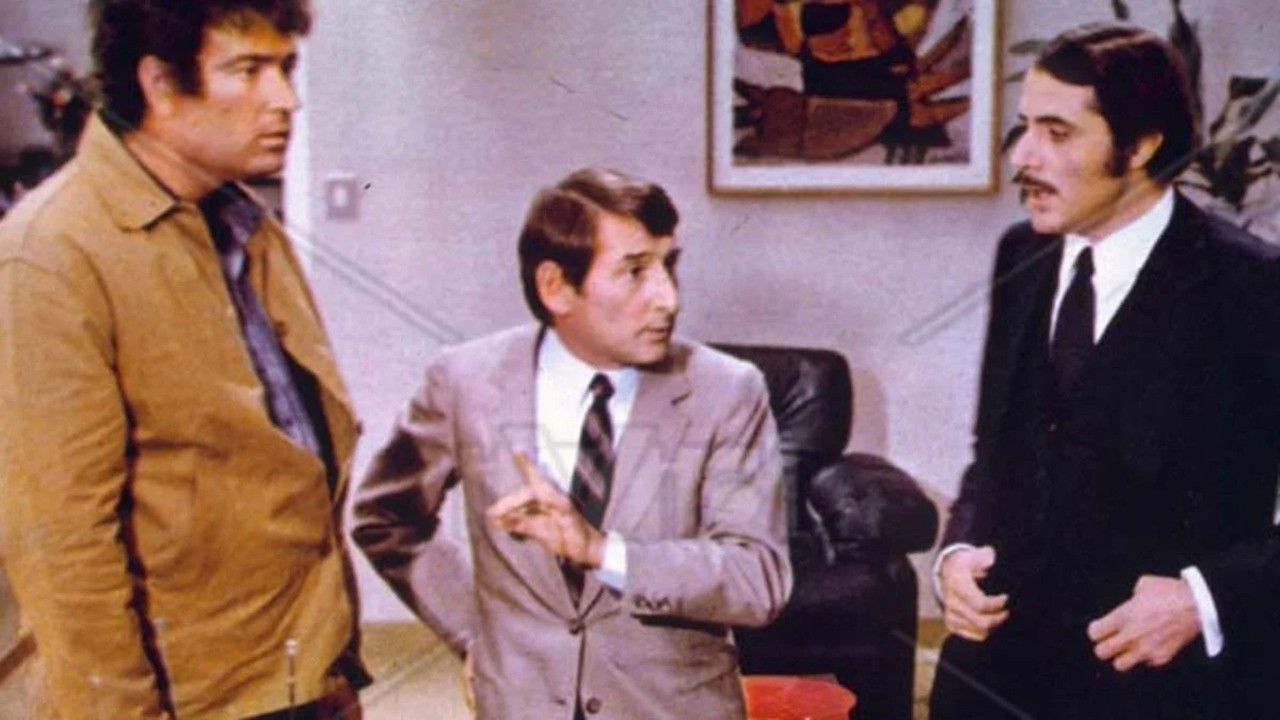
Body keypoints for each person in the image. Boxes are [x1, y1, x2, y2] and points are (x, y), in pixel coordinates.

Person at [0, 1, 367, 718]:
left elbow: (286, 463)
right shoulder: (51, 253)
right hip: (193, 699)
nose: (285, 99)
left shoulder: (243, 226)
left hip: (302, 675)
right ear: (160, 84)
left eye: (286, 68)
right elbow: (62, 546)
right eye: (248, 71)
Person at [929, 22, 1280, 720]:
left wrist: (1204, 598)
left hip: (1167, 687)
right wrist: (956, 554)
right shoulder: (1021, 258)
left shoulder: (1251, 286)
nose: (1024, 157)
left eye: (1057, 133)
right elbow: (994, 455)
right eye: (1025, 128)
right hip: (996, 679)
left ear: (1141, 146)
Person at [351, 167, 792, 720]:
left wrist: (604, 553)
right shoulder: (464, 381)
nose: (668, 298)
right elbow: (385, 518)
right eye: (635, 271)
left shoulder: (727, 390)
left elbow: (757, 578)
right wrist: (476, 633)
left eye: (669, 266)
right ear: (555, 287)